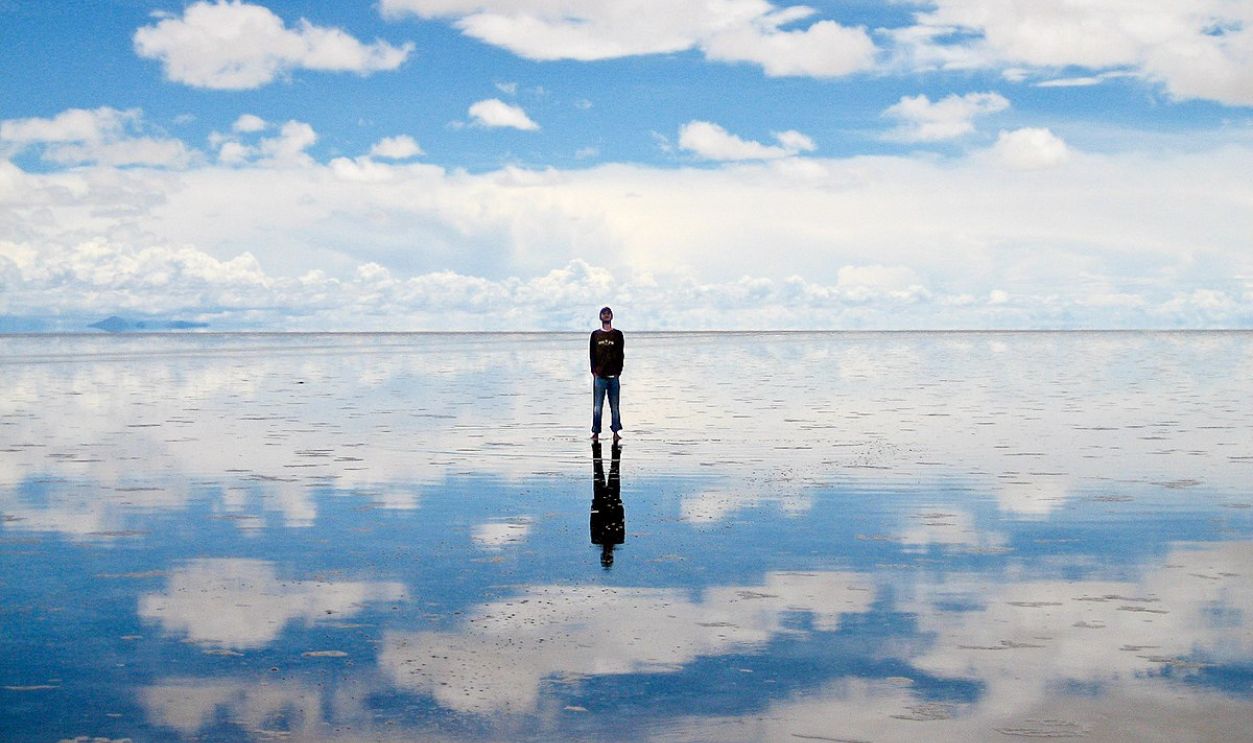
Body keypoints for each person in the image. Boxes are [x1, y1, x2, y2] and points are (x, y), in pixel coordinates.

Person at [589, 306, 623, 442]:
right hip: (599, 377)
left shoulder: (618, 335)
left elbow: (621, 354)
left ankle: (616, 432)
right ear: (600, 317)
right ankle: (595, 433)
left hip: (613, 377)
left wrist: (618, 371)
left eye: (608, 313)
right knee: (597, 406)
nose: (606, 315)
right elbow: (591, 354)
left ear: (612, 316)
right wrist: (594, 372)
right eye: (604, 313)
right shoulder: (595, 335)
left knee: (614, 406)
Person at [590, 441, 624, 568]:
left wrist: (593, 508)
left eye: (606, 557)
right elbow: (621, 521)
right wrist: (620, 505)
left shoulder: (597, 540)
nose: (607, 555)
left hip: (600, 503)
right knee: (614, 469)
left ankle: (598, 446)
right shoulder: (618, 540)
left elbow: (593, 523)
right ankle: (614, 448)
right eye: (608, 557)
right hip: (613, 502)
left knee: (599, 470)